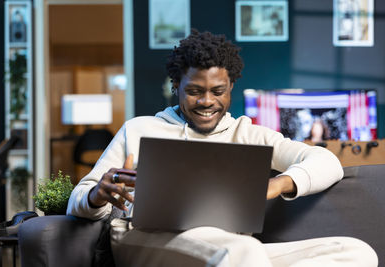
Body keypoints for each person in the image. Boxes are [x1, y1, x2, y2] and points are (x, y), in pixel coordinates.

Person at [67, 29, 378, 266]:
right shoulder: (139, 129)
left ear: (231, 87)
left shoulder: (248, 133)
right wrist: (97, 195)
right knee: (244, 251)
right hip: (144, 237)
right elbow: (78, 201)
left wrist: (272, 185)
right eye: (194, 91)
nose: (206, 101)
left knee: (355, 252)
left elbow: (326, 161)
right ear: (176, 86)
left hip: (231, 247)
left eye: (218, 91)